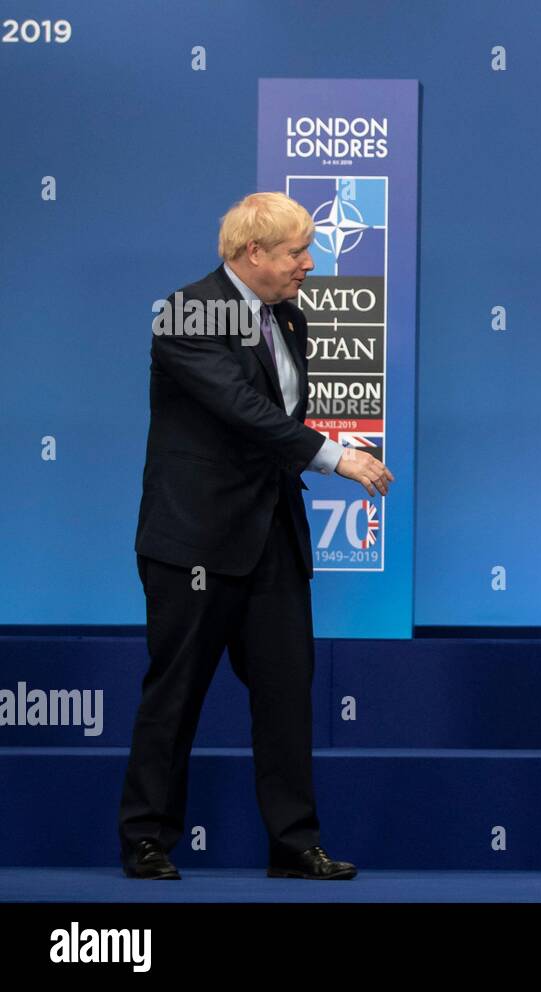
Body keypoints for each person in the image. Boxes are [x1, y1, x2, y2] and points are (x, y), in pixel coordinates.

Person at [119, 192, 394, 880]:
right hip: (194, 541)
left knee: (285, 692)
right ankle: (146, 839)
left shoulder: (289, 319)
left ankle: (294, 843)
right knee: (175, 692)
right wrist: (336, 456)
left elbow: (271, 415)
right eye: (297, 252)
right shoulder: (188, 313)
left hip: (272, 535)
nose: (310, 264)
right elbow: (243, 412)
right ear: (253, 254)